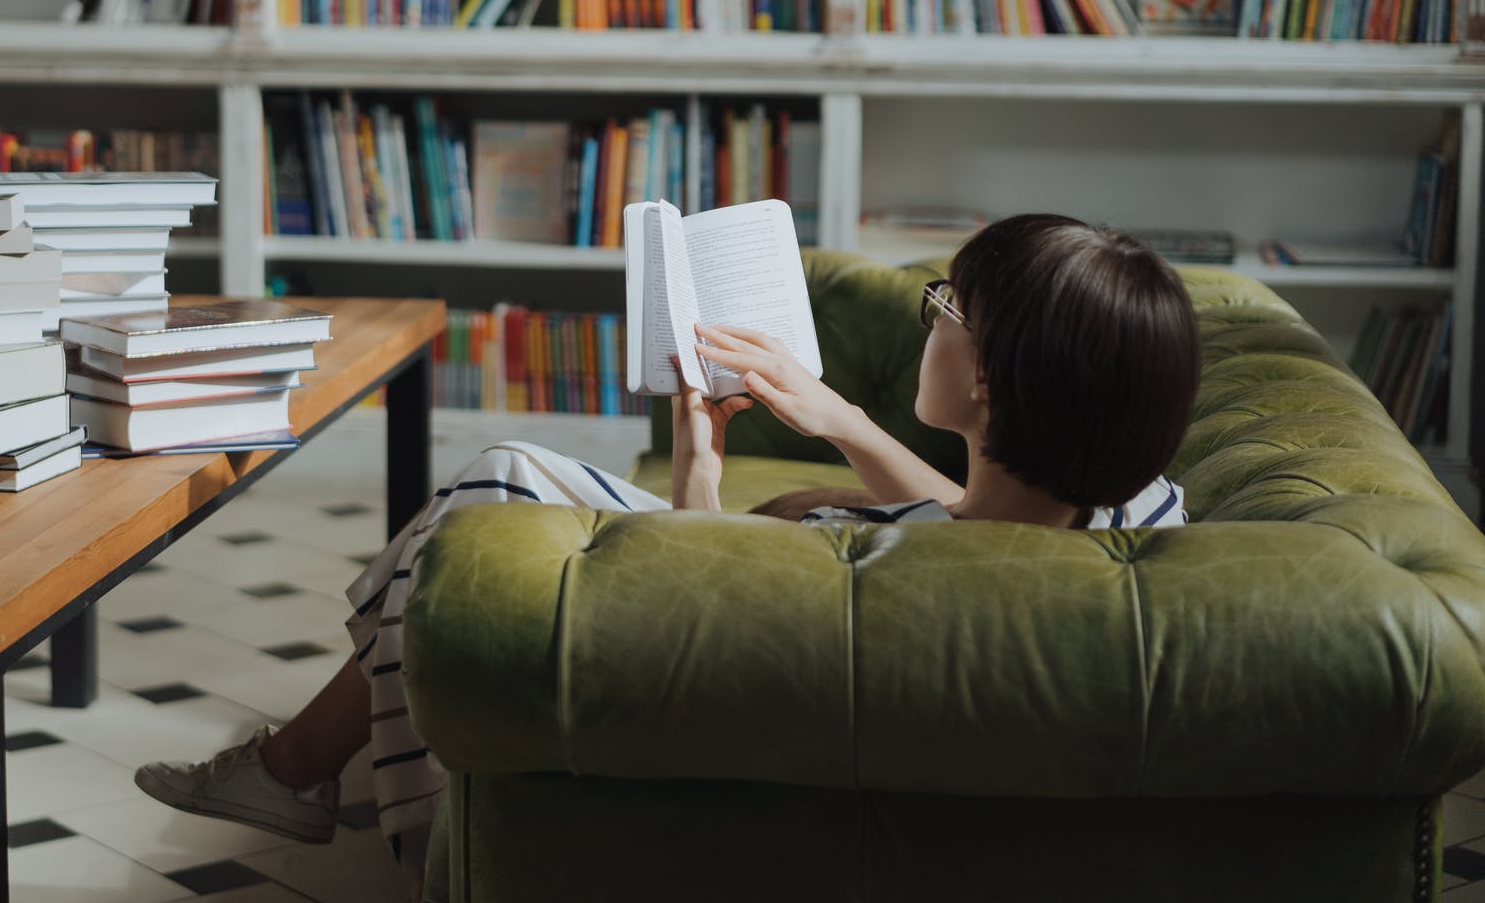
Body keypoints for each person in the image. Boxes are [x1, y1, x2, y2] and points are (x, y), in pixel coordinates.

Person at [133, 213, 1203, 894]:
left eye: (944, 307)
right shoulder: (1140, 513)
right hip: (782, 586)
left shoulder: (885, 577)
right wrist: (838, 424)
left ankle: (328, 781)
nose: (929, 318)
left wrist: (699, 461)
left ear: (982, 382)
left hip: (703, 630)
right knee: (493, 488)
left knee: (491, 487)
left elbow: (697, 606)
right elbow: (990, 524)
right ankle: (306, 756)